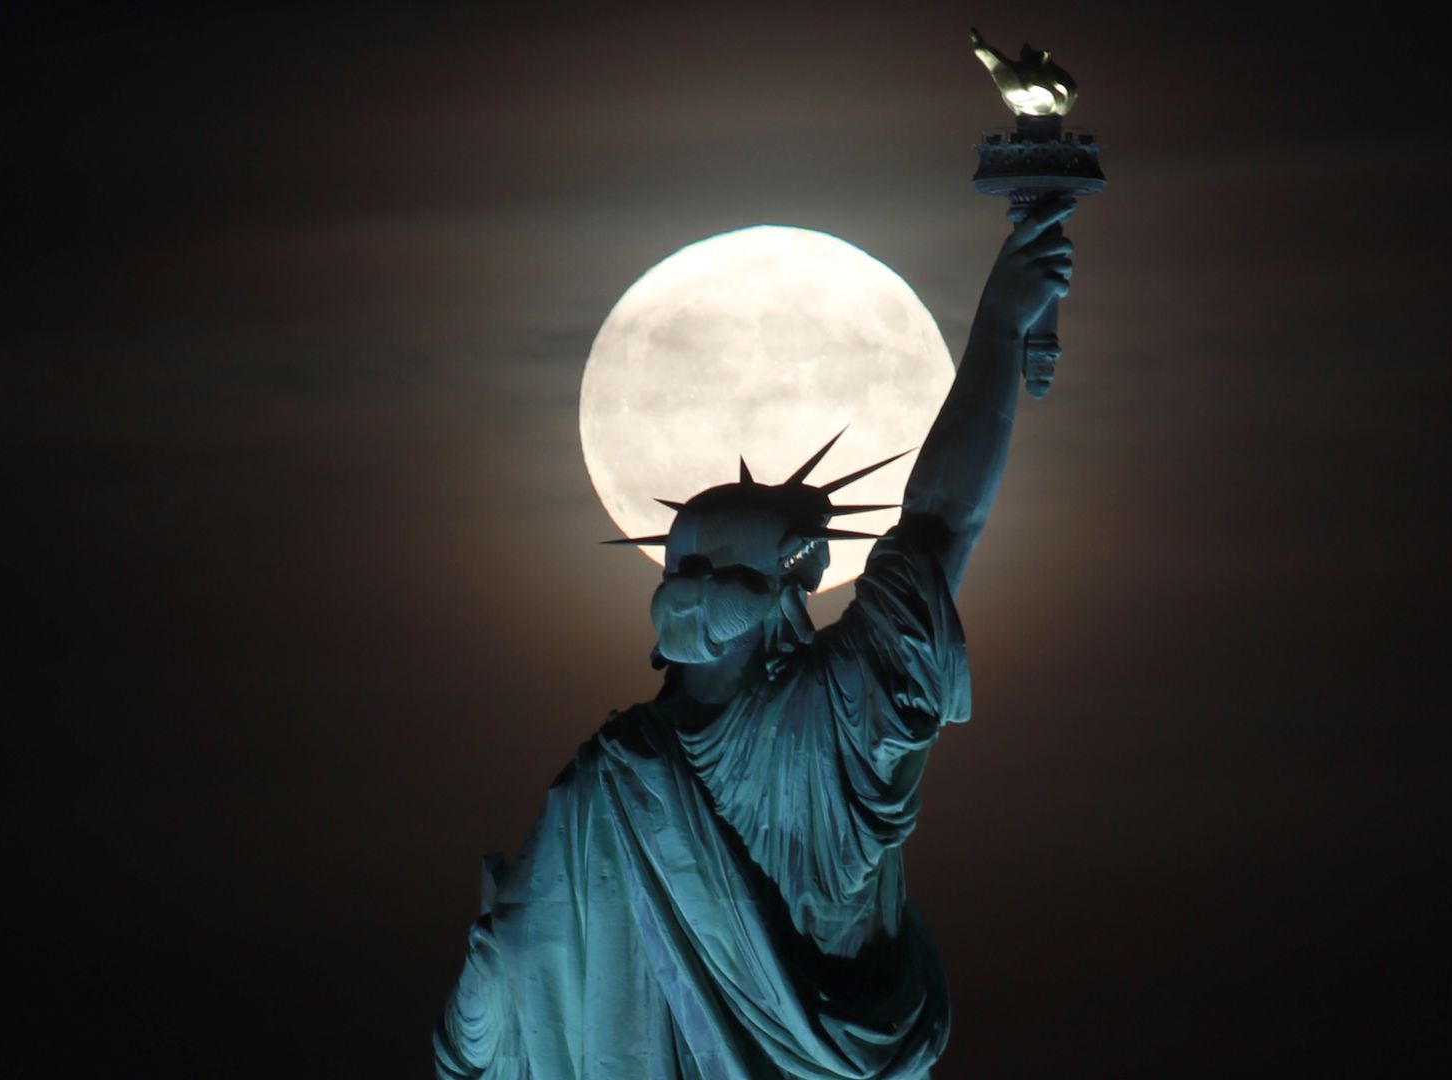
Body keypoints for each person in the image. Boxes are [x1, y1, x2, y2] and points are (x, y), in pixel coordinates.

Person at [436, 197, 1078, 1079]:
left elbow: (487, 1014)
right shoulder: (827, 719)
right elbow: (940, 520)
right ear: (792, 583)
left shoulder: (610, 780)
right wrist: (1002, 328)